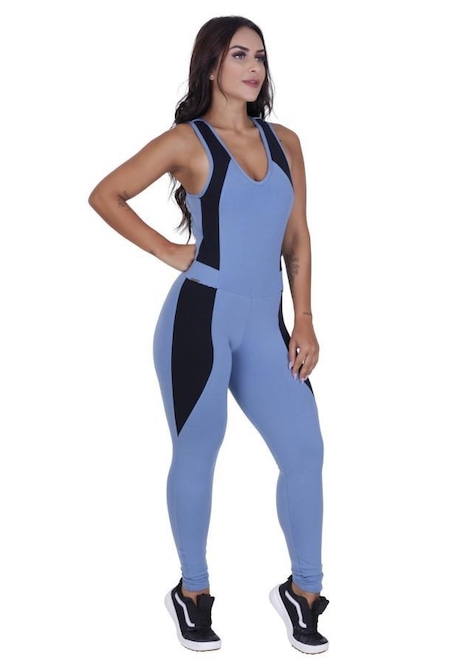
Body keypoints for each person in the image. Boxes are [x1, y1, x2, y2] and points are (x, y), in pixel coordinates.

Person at [88, 16, 330, 654]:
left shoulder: (286, 142)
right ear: (212, 65)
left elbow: (297, 236)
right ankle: (193, 591)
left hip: (268, 325)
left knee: (305, 451)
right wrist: (169, 250)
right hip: (200, 318)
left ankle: (305, 591)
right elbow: (107, 194)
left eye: (261, 57)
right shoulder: (186, 142)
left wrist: (304, 318)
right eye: (240, 55)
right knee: (199, 451)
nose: (254, 68)